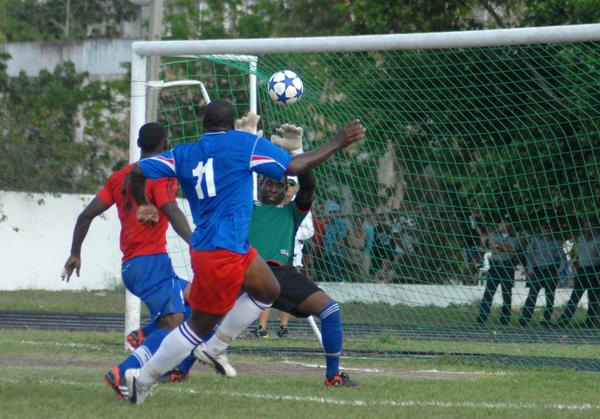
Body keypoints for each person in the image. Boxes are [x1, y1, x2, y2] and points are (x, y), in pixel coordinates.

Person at [125, 100, 365, 404]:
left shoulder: (184, 153)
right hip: (219, 251)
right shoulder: (243, 143)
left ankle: (214, 348)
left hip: (230, 248)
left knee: (268, 289)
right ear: (231, 125)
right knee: (198, 326)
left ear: (204, 125)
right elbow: (294, 168)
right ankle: (143, 380)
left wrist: (142, 202)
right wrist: (337, 141)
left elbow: (137, 171)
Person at [61, 122, 195, 398]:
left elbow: (85, 215)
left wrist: (75, 253)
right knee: (175, 323)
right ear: (165, 145)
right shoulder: (161, 175)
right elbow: (170, 209)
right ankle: (123, 373)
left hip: (133, 267)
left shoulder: (119, 177)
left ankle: (156, 347)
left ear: (138, 144)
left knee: (200, 302)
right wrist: (196, 244)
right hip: (150, 263)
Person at [204, 168, 359, 387]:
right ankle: (179, 369)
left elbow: (308, 187)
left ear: (286, 190)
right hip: (245, 270)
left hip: (280, 275)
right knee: (205, 317)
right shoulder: (245, 206)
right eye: (269, 183)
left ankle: (332, 375)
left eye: (279, 185)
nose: (273, 188)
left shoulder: (291, 212)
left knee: (330, 310)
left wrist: (297, 154)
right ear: (260, 185)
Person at [255, 176, 314, 338]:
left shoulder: (296, 209)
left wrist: (291, 232)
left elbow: (309, 231)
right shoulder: (257, 206)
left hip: (290, 258)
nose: (276, 189)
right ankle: (262, 327)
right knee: (265, 293)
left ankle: (283, 326)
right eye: (270, 184)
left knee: (283, 293)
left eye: (290, 185)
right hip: (260, 262)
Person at [519, 222, 566, 326]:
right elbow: (530, 254)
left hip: (551, 270)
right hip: (538, 270)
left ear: (552, 229)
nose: (547, 230)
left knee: (550, 297)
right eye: (545, 228)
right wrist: (530, 268)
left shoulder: (556, 242)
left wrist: (560, 269)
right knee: (532, 294)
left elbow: (563, 257)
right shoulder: (536, 240)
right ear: (542, 229)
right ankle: (524, 319)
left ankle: (546, 320)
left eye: (549, 228)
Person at [557, 221, 600, 327]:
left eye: (590, 226)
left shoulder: (598, 239)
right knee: (575, 296)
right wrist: (576, 265)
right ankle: (563, 321)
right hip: (581, 271)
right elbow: (578, 255)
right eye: (586, 226)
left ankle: (590, 322)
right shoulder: (581, 239)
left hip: (594, 270)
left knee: (593, 298)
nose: (587, 228)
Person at [476, 221, 518, 325]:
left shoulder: (514, 236)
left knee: (507, 295)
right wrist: (504, 248)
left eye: (503, 223)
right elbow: (491, 246)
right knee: (488, 294)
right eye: (501, 223)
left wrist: (499, 247)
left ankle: (504, 320)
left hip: (507, 267)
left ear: (509, 224)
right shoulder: (494, 234)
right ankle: (481, 319)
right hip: (495, 267)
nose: (501, 225)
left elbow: (512, 250)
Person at [323, 202, 349, 281]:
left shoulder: (342, 223)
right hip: (327, 252)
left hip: (336, 253)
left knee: (333, 274)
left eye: (334, 212)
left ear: (339, 212)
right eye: (331, 212)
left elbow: (341, 240)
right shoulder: (330, 224)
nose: (333, 214)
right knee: (328, 274)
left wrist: (334, 251)